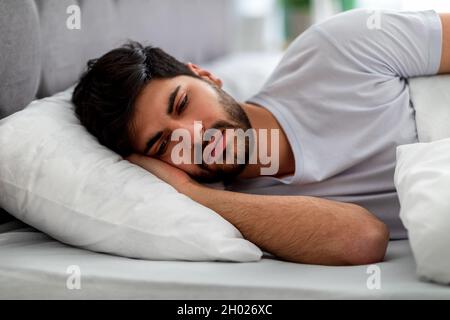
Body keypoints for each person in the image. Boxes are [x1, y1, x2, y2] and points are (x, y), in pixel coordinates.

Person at [72, 9, 450, 266]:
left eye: (182, 103)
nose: (193, 135)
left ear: (205, 75)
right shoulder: (251, 213)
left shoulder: (338, 49)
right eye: (162, 145)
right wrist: (191, 194)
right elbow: (364, 239)